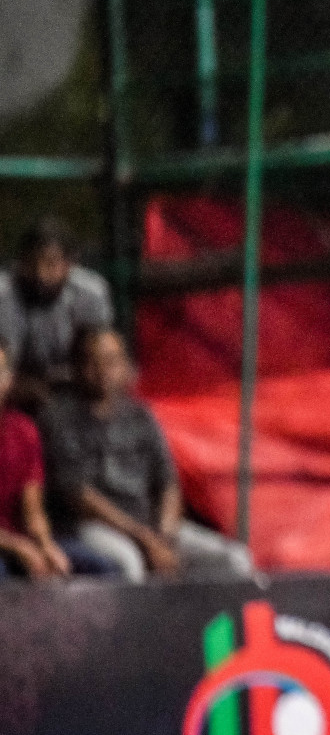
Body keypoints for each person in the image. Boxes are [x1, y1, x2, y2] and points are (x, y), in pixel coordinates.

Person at [39, 327, 253, 583]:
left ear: (125, 365)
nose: (102, 370)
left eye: (111, 361)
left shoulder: (140, 416)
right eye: (91, 361)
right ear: (75, 367)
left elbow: (168, 482)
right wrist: (144, 539)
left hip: (152, 525)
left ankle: (218, 624)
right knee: (130, 563)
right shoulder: (57, 418)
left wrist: (163, 534)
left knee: (234, 559)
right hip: (92, 526)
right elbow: (78, 496)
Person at [0, 339, 115, 579]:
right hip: (8, 546)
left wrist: (45, 546)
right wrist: (20, 548)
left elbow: (33, 509)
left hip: (21, 541)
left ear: (9, 379)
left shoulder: (23, 430)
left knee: (104, 568)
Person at [0, 217, 113, 407]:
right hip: (13, 393)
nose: (40, 274)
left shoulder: (90, 292)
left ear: (69, 264)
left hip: (76, 390)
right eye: (31, 264)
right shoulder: (4, 294)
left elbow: (101, 356)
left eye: (51, 264)